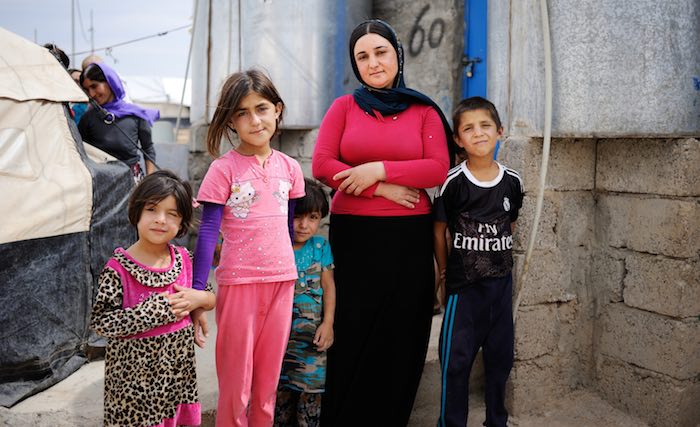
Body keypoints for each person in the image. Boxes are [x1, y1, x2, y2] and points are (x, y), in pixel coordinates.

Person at [312, 19, 454, 425]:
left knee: (402, 334)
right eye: (363, 56)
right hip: (356, 236)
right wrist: (381, 188)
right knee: (353, 329)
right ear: (356, 65)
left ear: (397, 55)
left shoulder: (424, 110)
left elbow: (437, 169)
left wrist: (377, 169)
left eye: (381, 52)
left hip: (408, 240)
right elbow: (323, 164)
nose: (373, 63)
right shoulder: (343, 107)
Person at [191, 69, 305, 427]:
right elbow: (208, 231)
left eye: (261, 108)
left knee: (267, 387)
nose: (254, 120)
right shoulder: (223, 169)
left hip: (282, 283)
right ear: (231, 121)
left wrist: (291, 269)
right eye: (242, 113)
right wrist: (198, 294)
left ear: (277, 110)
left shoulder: (291, 168)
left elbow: (287, 226)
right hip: (240, 285)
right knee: (236, 389)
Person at [90, 170, 216, 427]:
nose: (161, 220)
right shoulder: (119, 268)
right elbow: (101, 322)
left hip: (177, 381)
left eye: (172, 214)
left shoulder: (184, 259)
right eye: (152, 210)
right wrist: (154, 312)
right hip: (133, 391)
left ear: (182, 223)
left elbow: (210, 297)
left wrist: (198, 300)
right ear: (136, 212)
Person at [433, 97, 524, 427]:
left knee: (500, 362)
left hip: (500, 289)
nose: (478, 133)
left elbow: (509, 224)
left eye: (485, 126)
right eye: (468, 128)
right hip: (464, 291)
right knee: (456, 363)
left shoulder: (512, 181)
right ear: (458, 139)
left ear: (499, 132)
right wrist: (443, 275)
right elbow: (440, 230)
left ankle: (496, 421)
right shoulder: (453, 182)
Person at [274, 178, 336, 427]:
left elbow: (328, 286)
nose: (303, 225)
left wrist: (328, 323)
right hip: (278, 343)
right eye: (297, 216)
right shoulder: (278, 246)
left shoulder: (320, 246)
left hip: (312, 343)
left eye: (312, 217)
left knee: (310, 405)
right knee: (279, 402)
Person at [78, 62, 159, 182]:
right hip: (100, 182)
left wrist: (149, 181)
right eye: (87, 89)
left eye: (94, 86)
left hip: (131, 181)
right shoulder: (88, 118)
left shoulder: (136, 115)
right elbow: (81, 152)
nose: (91, 94)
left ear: (110, 82)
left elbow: (148, 149)